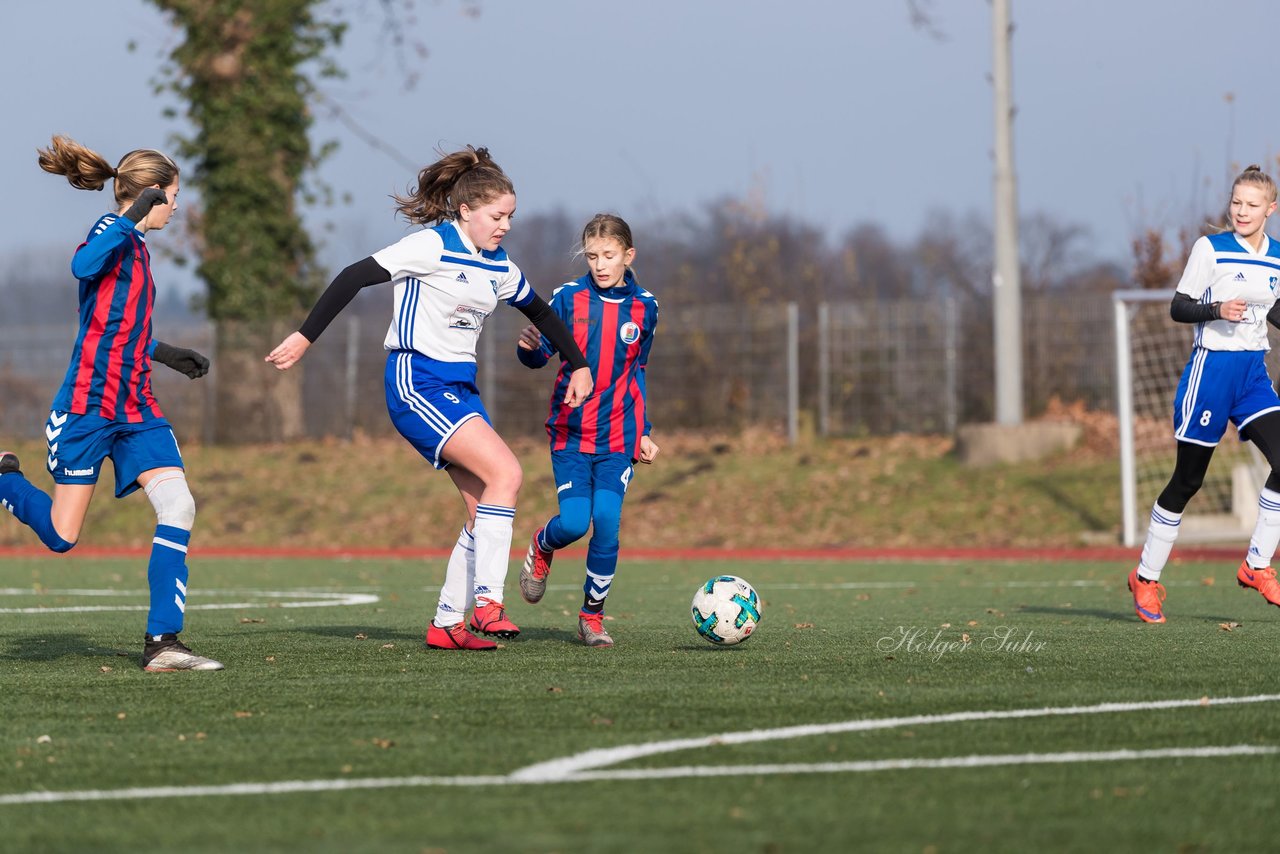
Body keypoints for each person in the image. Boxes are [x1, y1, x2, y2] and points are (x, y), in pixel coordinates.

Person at [266, 145, 593, 651]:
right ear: (465, 211)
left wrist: (578, 363)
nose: (505, 225)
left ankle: (445, 623)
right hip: (415, 382)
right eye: (496, 215)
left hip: (459, 389)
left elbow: (543, 313)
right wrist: (306, 336)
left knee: (483, 507)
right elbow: (354, 275)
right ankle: (487, 604)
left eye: (510, 216)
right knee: (507, 474)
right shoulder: (430, 246)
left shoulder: (499, 266)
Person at [0, 135, 219, 671]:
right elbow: (81, 265)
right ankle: (5, 480)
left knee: (179, 506)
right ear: (150, 196)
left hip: (137, 407)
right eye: (172, 196)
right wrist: (132, 214)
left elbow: (120, 329)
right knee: (61, 536)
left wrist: (167, 353)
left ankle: (163, 644)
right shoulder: (110, 232)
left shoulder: (140, 250)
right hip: (88, 407)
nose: (177, 207)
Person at [1129, 164, 1280, 623]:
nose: (1242, 211)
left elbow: (1273, 312)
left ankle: (1257, 565)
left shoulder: (1276, 255)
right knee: (1188, 481)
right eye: (1236, 202)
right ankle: (1146, 578)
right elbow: (1180, 306)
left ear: (1270, 210)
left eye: (1252, 205)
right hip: (1210, 374)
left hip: (1253, 374)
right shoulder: (1210, 249)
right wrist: (1216, 308)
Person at [515, 214, 660, 647]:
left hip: (619, 437)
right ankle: (543, 545)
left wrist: (645, 431)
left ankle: (591, 617)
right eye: (592, 256)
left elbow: (639, 371)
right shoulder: (566, 299)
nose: (600, 264)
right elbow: (539, 357)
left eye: (609, 256)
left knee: (607, 523)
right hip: (572, 433)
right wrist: (527, 351)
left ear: (628, 256)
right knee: (576, 523)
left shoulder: (646, 308)